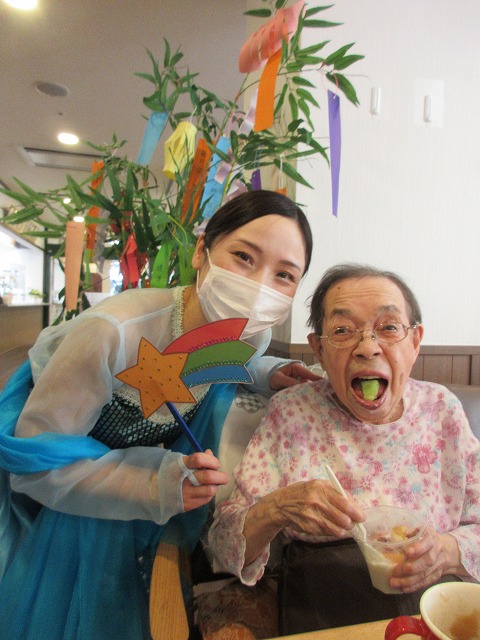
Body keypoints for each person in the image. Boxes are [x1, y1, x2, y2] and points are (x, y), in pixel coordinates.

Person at [0, 190, 318, 640]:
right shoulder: (112, 333)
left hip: (146, 512)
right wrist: (158, 483)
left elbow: (219, 367)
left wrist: (268, 373)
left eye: (284, 275)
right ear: (201, 251)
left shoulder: (252, 337)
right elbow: (35, 468)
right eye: (244, 257)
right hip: (76, 506)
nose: (258, 287)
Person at [208, 263, 480, 634]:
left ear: (415, 341)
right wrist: (277, 508)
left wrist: (446, 552)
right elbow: (222, 544)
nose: (367, 348)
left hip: (433, 609)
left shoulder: (442, 409)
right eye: (342, 331)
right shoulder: (292, 412)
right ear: (319, 350)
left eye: (388, 327)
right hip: (322, 607)